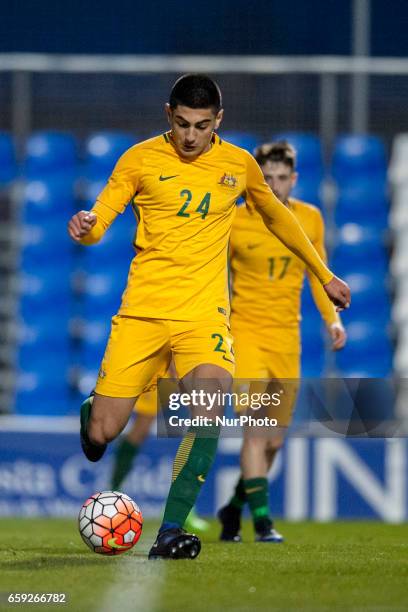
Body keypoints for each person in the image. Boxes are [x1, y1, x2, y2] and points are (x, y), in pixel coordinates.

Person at [67, 74, 350, 560]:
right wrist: (86, 228)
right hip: (143, 314)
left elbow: (279, 217)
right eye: (182, 124)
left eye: (201, 125)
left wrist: (324, 275)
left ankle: (170, 531)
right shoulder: (138, 159)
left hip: (205, 318)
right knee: (103, 433)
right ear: (167, 115)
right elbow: (101, 218)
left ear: (219, 120)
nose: (191, 135)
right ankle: (93, 413)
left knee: (210, 403)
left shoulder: (238, 165)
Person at [218, 141, 347, 543]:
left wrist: (333, 321)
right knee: (256, 432)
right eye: (266, 178)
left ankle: (232, 508)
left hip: (287, 340)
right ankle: (262, 523)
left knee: (273, 441)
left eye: (280, 178)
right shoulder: (234, 220)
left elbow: (317, 271)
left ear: (293, 179)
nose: (273, 186)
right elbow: (218, 278)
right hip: (247, 335)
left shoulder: (308, 219)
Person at [110, 364, 210, 533]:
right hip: (160, 363)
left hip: (187, 359)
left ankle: (186, 507)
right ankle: (114, 492)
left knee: (199, 423)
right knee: (140, 429)